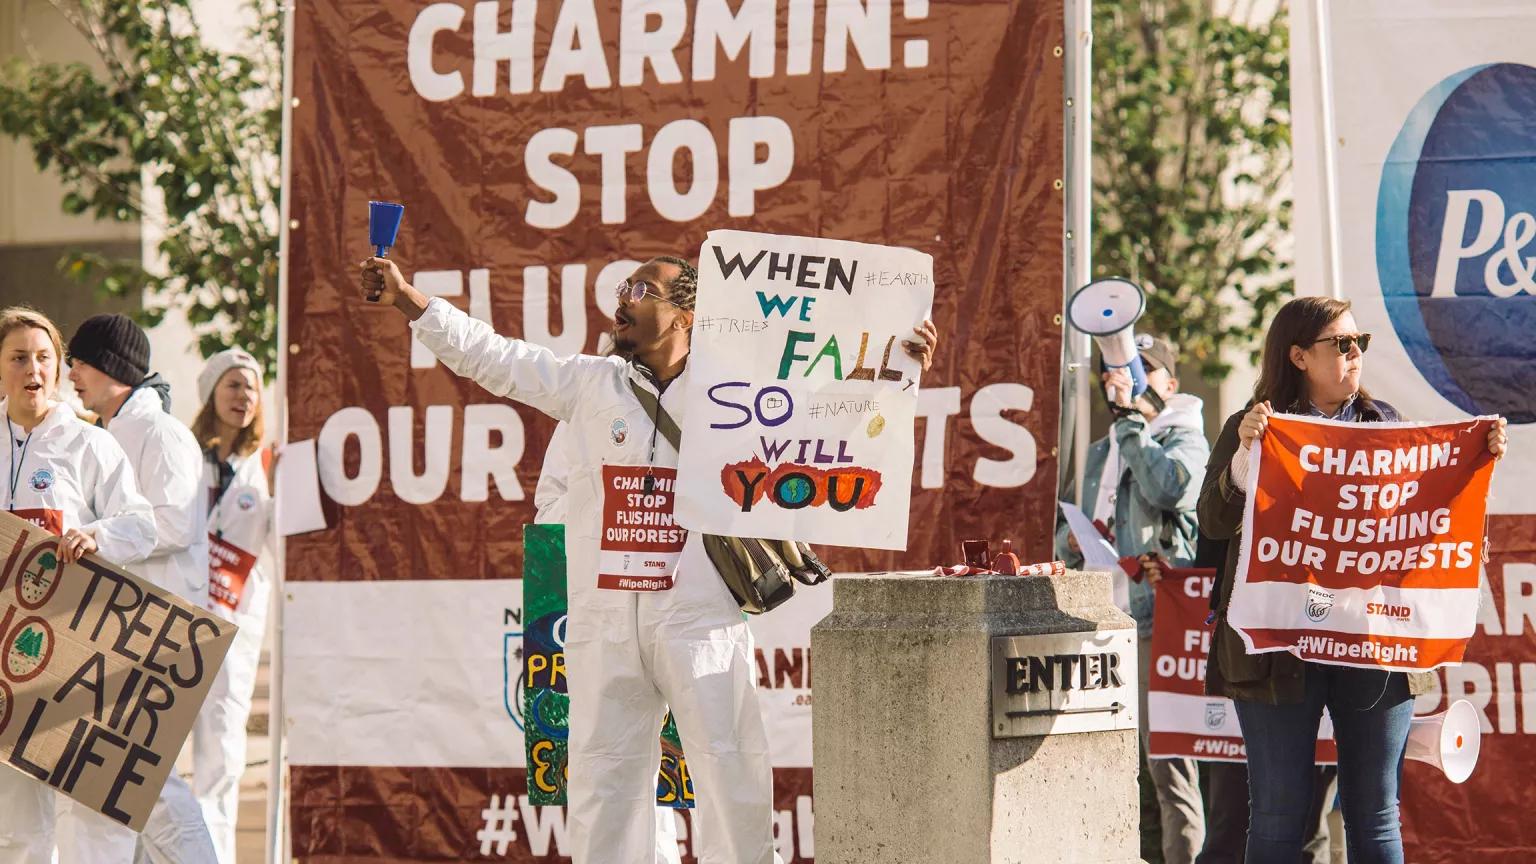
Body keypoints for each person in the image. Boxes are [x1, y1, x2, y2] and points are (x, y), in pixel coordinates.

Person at [361, 253, 936, 864]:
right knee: (603, 788)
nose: (623, 300)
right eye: (623, 288)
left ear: (685, 314)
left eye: (642, 290)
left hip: (699, 613)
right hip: (603, 618)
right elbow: (494, 358)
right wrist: (408, 301)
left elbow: (833, 407)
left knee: (729, 771)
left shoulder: (735, 392)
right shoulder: (591, 383)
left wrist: (897, 368)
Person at [1198, 296, 1508, 864]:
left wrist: (1473, 468)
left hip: (1373, 643)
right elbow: (1214, 524)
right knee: (1276, 817)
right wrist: (1246, 454)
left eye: (1359, 342)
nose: (1355, 354)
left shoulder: (1387, 427)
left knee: (1376, 813)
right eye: (1340, 345)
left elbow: (1430, 525)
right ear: (1297, 356)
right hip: (1278, 649)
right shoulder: (1254, 427)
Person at [0, 307, 156, 864]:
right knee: (16, 825)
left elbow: (142, 525)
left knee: (87, 818)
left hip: (74, 654)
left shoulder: (90, 445)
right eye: (19, 358)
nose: (32, 369)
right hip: (4, 664)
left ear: (60, 368)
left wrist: (96, 536)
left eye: (44, 358)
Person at [63, 313, 217, 863]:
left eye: (78, 360)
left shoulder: (161, 433)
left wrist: (94, 536)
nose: (70, 372)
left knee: (143, 781)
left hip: (158, 630)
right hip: (124, 628)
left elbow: (174, 523)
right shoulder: (114, 434)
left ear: (112, 367)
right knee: (124, 786)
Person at [1055, 335, 1209, 864]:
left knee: (1169, 770)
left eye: (1142, 371)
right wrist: (1070, 541)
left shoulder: (1186, 439)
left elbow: (1170, 489)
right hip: (1099, 625)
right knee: (1119, 773)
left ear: (1169, 383)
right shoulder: (1099, 452)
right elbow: (1063, 532)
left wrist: (1129, 422)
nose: (1124, 378)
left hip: (1157, 626)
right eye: (1116, 370)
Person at [184, 347, 275, 864]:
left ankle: (214, 855)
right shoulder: (182, 454)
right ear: (211, 393)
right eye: (233, 385)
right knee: (154, 749)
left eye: (252, 387)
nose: (244, 396)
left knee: (222, 751)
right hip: (175, 616)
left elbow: (282, 547)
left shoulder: (266, 464)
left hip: (232, 623)